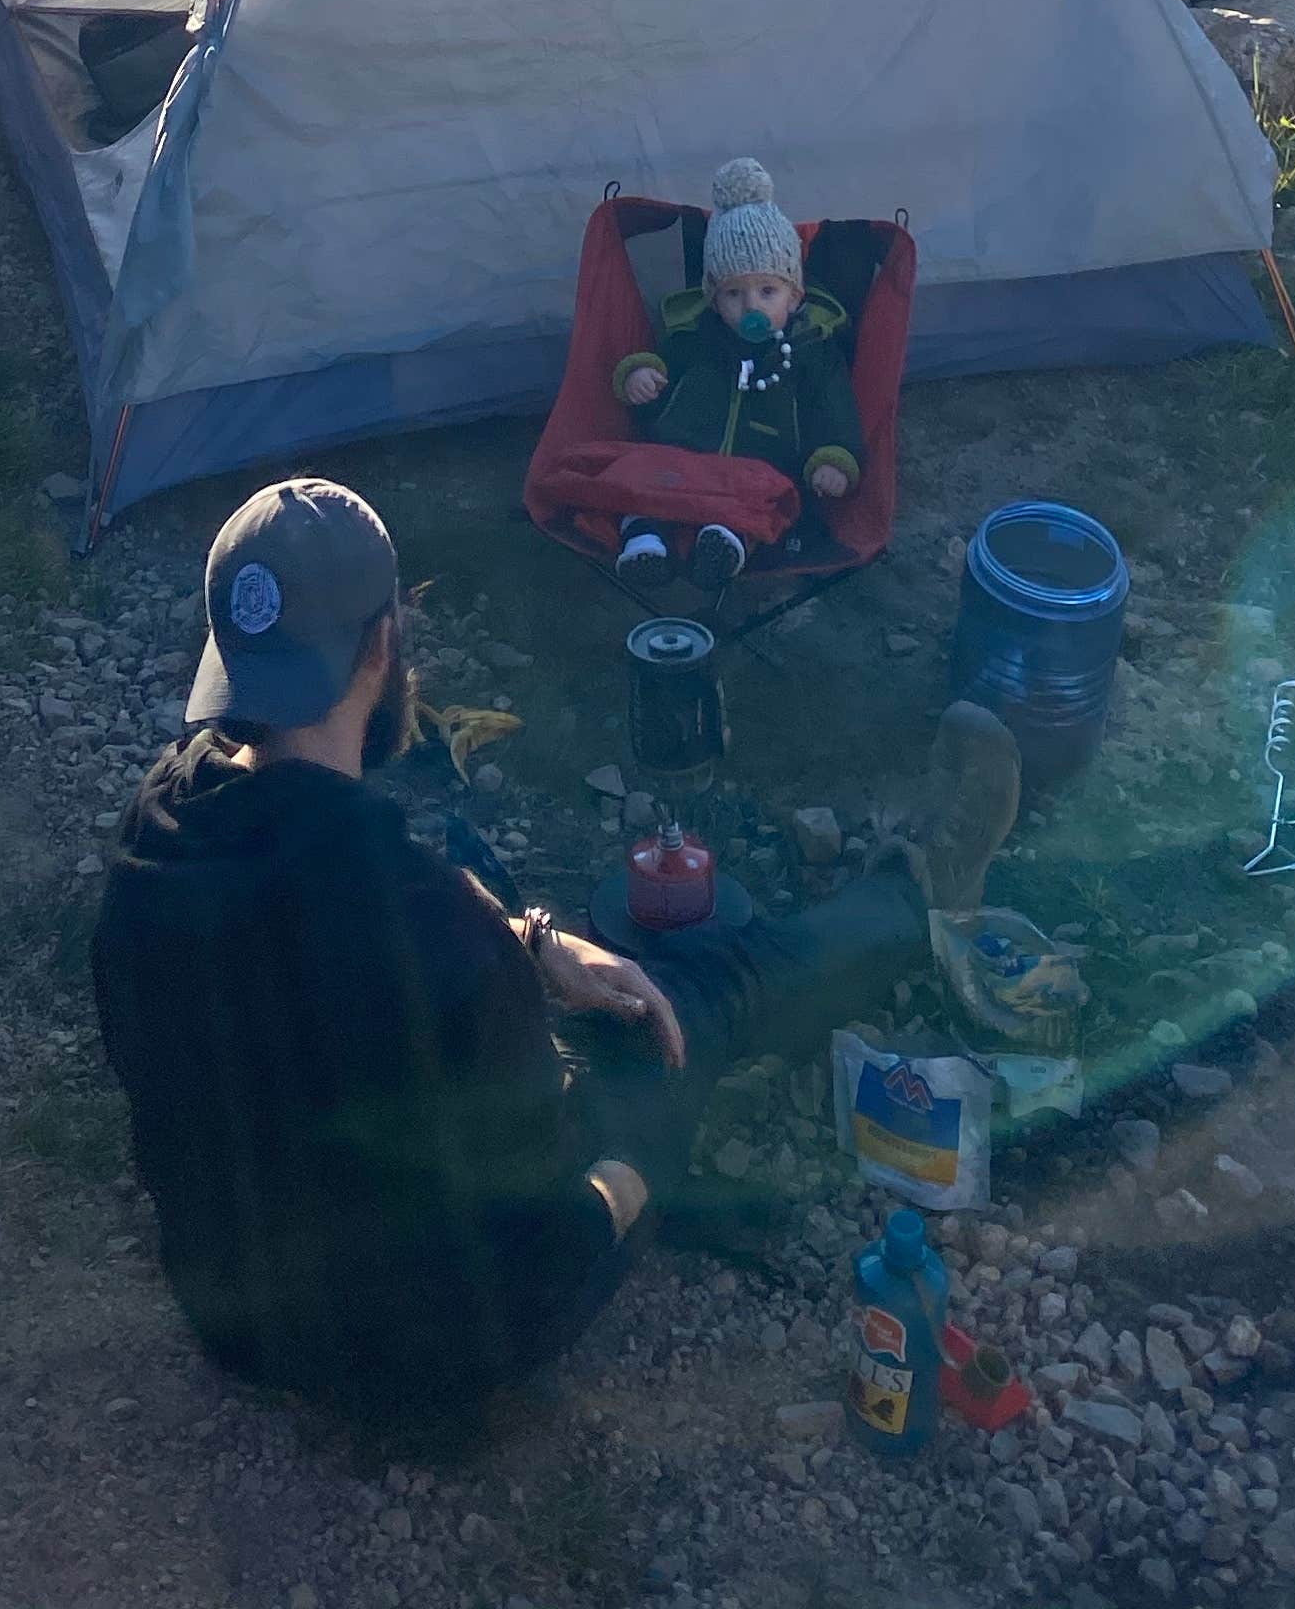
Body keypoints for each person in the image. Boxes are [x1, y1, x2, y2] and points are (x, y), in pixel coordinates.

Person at [90, 474, 1020, 1430]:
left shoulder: (157, 835)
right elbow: (540, 1243)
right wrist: (642, 1161)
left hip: (233, 1317)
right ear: (383, 643)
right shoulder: (432, 950)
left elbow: (369, 885)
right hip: (425, 1355)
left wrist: (535, 939)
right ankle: (922, 892)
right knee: (698, 997)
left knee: (494, 916)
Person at [612, 158, 866, 591]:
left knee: (768, 504)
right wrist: (641, 373)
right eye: (733, 293)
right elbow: (662, 364)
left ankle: (726, 544)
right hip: (683, 458)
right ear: (713, 299)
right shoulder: (697, 335)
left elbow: (834, 411)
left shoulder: (811, 351)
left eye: (767, 291)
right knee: (642, 480)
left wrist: (834, 459)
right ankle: (644, 544)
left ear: (794, 295)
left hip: (760, 468)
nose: (751, 307)